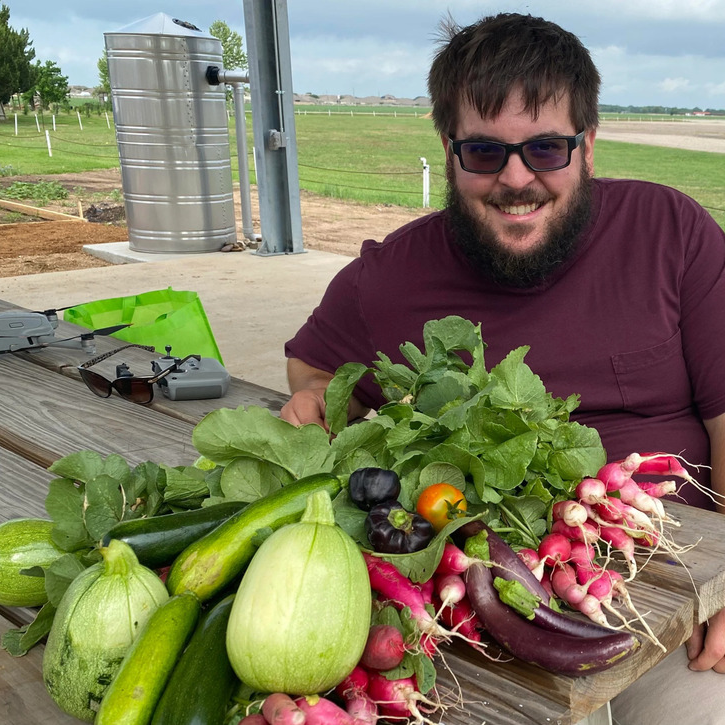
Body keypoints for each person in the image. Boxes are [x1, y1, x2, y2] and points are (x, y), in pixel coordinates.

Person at [281, 12, 725, 725]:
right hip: (467, 625)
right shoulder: (389, 276)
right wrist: (309, 404)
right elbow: (312, 368)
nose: (516, 179)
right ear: (450, 150)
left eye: (546, 147)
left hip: (669, 599)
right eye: (485, 152)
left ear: (588, 145)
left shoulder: (669, 232)